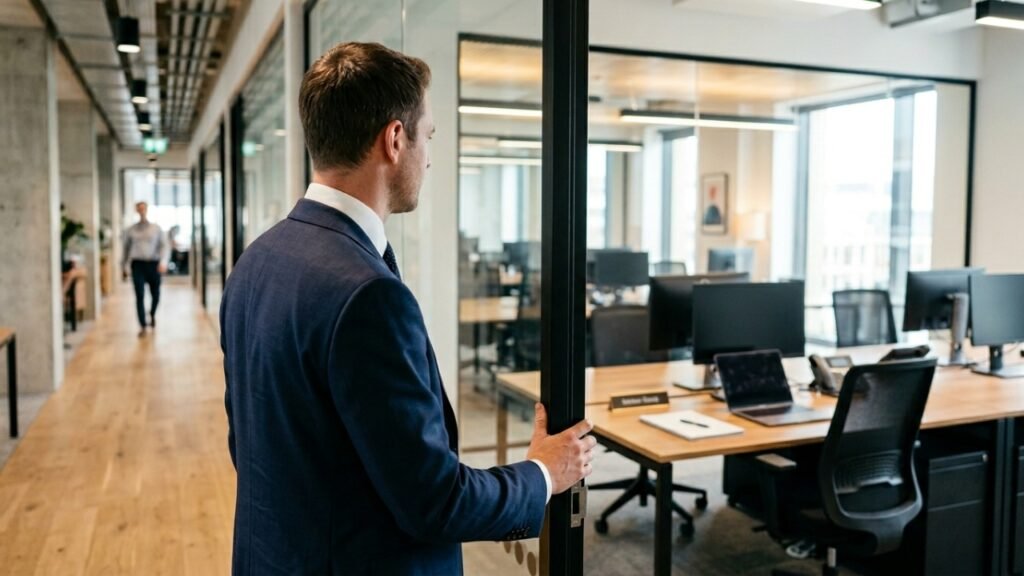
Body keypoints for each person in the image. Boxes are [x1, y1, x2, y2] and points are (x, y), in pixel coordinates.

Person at [220, 42, 596, 575]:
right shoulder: (367, 294)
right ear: (395, 139)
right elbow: (434, 501)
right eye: (430, 136)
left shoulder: (257, 261)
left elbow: (252, 445)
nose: (430, 155)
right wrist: (542, 474)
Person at [122, 201, 168, 336]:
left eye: (143, 209)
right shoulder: (130, 230)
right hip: (137, 265)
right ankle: (142, 325)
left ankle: (152, 313)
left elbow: (164, 246)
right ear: (136, 211)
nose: (141, 211)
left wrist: (163, 262)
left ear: (147, 210)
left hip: (153, 264)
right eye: (139, 209)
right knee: (139, 296)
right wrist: (124, 266)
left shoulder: (156, 228)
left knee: (156, 294)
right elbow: (125, 249)